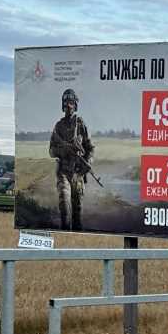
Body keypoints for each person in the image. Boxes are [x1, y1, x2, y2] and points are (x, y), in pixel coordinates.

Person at [48, 88, 95, 230]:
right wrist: (63, 149)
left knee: (77, 214)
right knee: (64, 206)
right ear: (63, 105)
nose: (69, 105)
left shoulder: (81, 124)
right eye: (66, 102)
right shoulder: (58, 126)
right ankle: (64, 236)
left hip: (78, 173)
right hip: (64, 172)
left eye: (71, 102)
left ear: (75, 105)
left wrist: (88, 163)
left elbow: (91, 148)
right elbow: (51, 151)